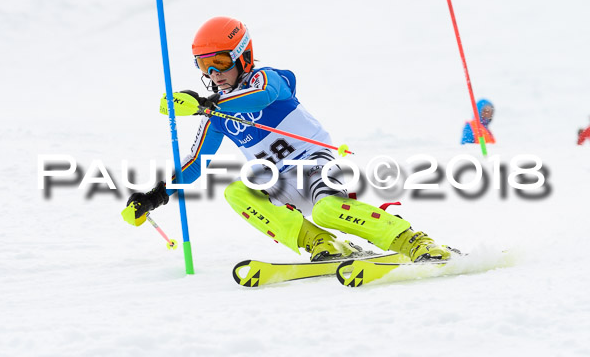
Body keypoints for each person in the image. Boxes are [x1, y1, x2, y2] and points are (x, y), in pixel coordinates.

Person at [124, 16, 455, 262]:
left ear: (243, 55)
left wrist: (206, 105)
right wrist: (153, 197)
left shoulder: (267, 79)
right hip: (280, 182)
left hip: (316, 164)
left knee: (326, 210)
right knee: (236, 192)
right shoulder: (216, 115)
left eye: (220, 62)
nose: (214, 74)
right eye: (204, 65)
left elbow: (263, 96)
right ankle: (321, 243)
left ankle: (411, 241)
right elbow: (194, 165)